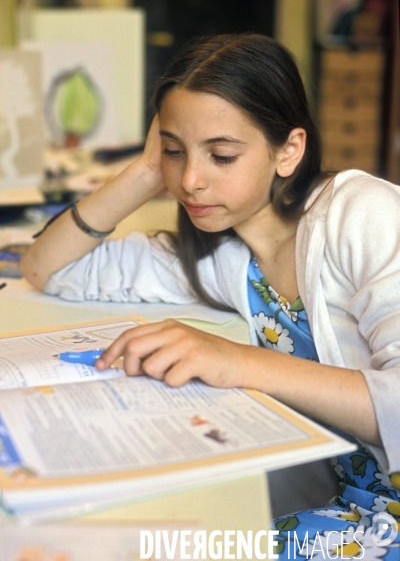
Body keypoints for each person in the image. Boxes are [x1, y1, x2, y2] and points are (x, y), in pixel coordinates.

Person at [20, 33, 400, 558]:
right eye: (175, 151)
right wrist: (145, 170)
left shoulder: (364, 213)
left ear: (288, 150)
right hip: (355, 509)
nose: (191, 180)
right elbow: (45, 268)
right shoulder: (220, 256)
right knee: (138, 544)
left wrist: (236, 360)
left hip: (386, 517)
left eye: (221, 156)